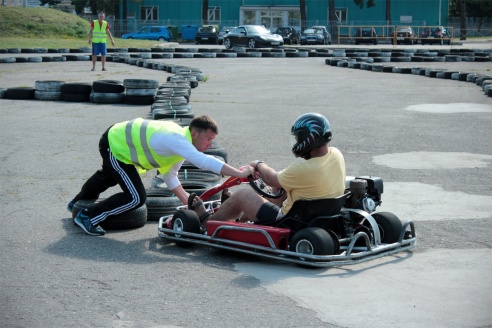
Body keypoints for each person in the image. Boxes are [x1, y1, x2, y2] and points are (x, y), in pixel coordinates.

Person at [68, 116, 254, 236]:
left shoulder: (180, 147)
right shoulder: (177, 140)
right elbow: (203, 162)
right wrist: (238, 173)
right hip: (115, 144)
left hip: (121, 144)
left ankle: (77, 202)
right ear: (195, 133)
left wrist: (189, 203)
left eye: (213, 140)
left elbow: (170, 177)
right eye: (208, 139)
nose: (211, 144)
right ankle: (87, 216)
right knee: (135, 198)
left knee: (108, 176)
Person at [190, 113, 346, 224]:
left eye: (298, 138)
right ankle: (234, 216)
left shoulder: (305, 169)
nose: (297, 141)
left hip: (288, 221)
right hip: (319, 216)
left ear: (308, 138)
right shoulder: (336, 154)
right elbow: (276, 185)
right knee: (278, 191)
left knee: (243, 195)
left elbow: (271, 178)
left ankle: (207, 220)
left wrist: (258, 164)